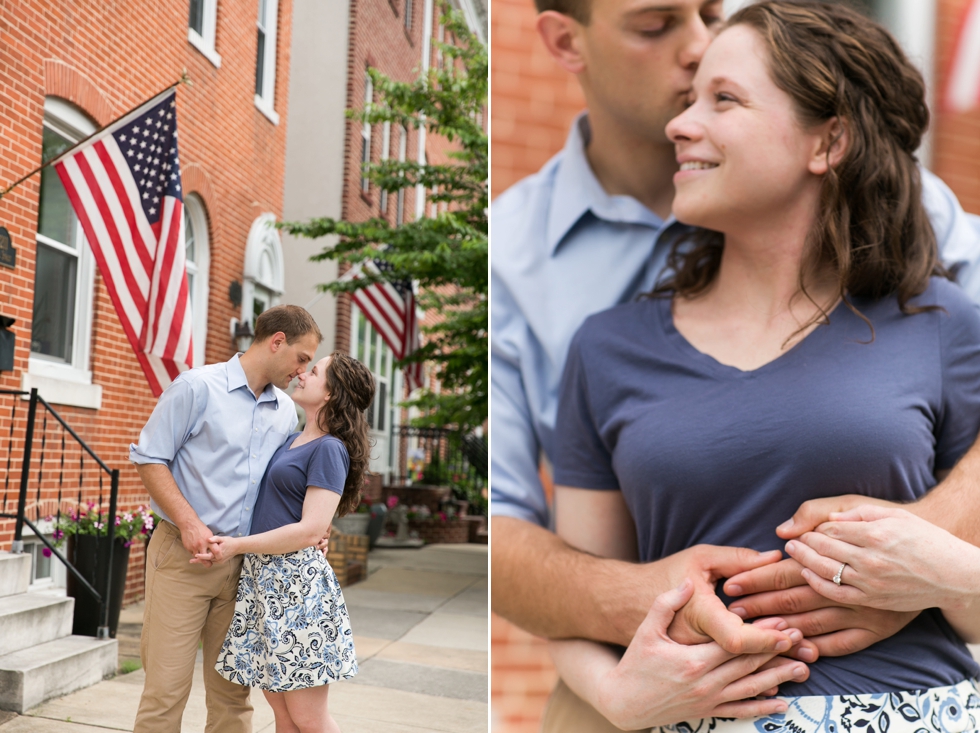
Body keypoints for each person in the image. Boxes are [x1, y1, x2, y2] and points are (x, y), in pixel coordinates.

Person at [490, 0, 980, 727]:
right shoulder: (582, 322)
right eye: (655, 26)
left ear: (831, 142)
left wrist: (916, 559)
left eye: (723, 97)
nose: (682, 119)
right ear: (569, 42)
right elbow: (521, 548)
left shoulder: (938, 308)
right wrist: (629, 664)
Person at [129, 305, 321, 733]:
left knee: (234, 699)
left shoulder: (285, 412)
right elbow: (149, 457)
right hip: (182, 560)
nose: (302, 370)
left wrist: (311, 531)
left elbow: (282, 485)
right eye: (302, 357)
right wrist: (191, 522)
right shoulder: (197, 387)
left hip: (244, 570)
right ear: (276, 342)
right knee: (166, 693)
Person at [197, 352, 374, 733]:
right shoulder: (293, 440)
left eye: (314, 372)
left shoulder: (329, 448)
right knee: (283, 715)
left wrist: (236, 546)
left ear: (331, 393)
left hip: (297, 591)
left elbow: (312, 529)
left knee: (309, 718)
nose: (302, 375)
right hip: (264, 584)